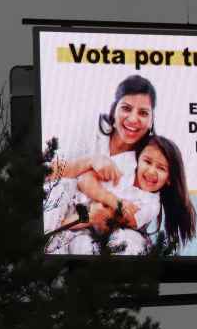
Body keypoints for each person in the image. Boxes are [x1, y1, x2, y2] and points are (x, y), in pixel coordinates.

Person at [44, 75, 159, 237]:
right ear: (114, 109)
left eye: (143, 113)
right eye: (126, 108)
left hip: (84, 229)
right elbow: (44, 171)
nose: (133, 119)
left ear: (151, 119)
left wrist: (106, 209)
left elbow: (122, 215)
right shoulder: (91, 128)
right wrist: (90, 161)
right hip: (55, 208)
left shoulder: (145, 159)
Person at [50, 135, 196, 255]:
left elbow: (103, 216)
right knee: (59, 190)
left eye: (161, 168)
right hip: (71, 201)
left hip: (84, 226)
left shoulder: (151, 205)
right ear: (138, 159)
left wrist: (99, 200)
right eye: (147, 161)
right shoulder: (126, 165)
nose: (152, 171)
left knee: (81, 247)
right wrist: (113, 200)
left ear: (169, 178)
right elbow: (84, 180)